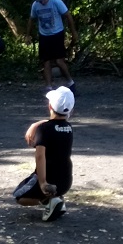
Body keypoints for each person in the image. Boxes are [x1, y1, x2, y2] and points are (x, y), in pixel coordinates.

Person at [12, 86, 75, 222]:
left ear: (50, 106)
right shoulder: (69, 128)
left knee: (19, 196)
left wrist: (43, 183)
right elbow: (56, 124)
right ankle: (56, 199)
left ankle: (50, 201)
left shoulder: (44, 129)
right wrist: (38, 123)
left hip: (49, 182)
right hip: (65, 182)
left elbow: (40, 156)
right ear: (71, 110)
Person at [25, 0, 79, 95]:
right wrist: (28, 35)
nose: (42, 1)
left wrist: (74, 32)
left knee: (59, 61)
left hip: (57, 33)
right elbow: (31, 19)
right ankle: (49, 87)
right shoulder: (35, 5)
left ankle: (70, 83)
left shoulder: (56, 1)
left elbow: (67, 15)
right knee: (46, 61)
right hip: (44, 35)